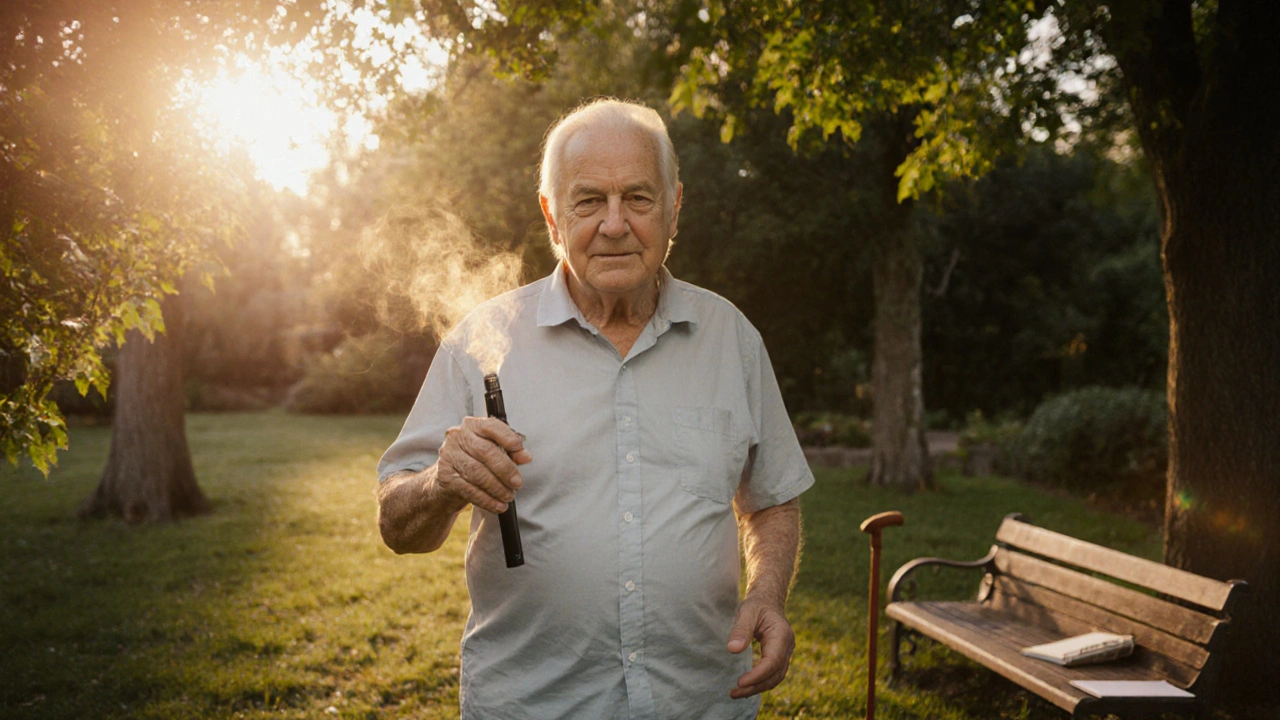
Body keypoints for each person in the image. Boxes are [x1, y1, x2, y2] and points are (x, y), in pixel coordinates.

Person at [376, 98, 814, 720]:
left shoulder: (731, 338)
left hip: (700, 702)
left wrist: (768, 592)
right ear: (552, 217)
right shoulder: (484, 340)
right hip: (532, 706)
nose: (614, 224)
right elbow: (397, 525)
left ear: (674, 207)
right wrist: (439, 483)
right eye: (588, 201)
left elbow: (771, 499)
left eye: (638, 198)